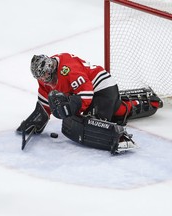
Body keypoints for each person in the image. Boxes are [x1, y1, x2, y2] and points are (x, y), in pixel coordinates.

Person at [17, 53, 163, 154]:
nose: (43, 79)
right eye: (39, 77)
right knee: (76, 117)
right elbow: (45, 98)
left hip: (102, 88)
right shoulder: (43, 76)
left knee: (102, 121)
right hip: (84, 92)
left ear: (51, 68)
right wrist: (39, 117)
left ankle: (148, 103)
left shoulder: (68, 69)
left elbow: (86, 92)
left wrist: (71, 106)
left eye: (45, 75)